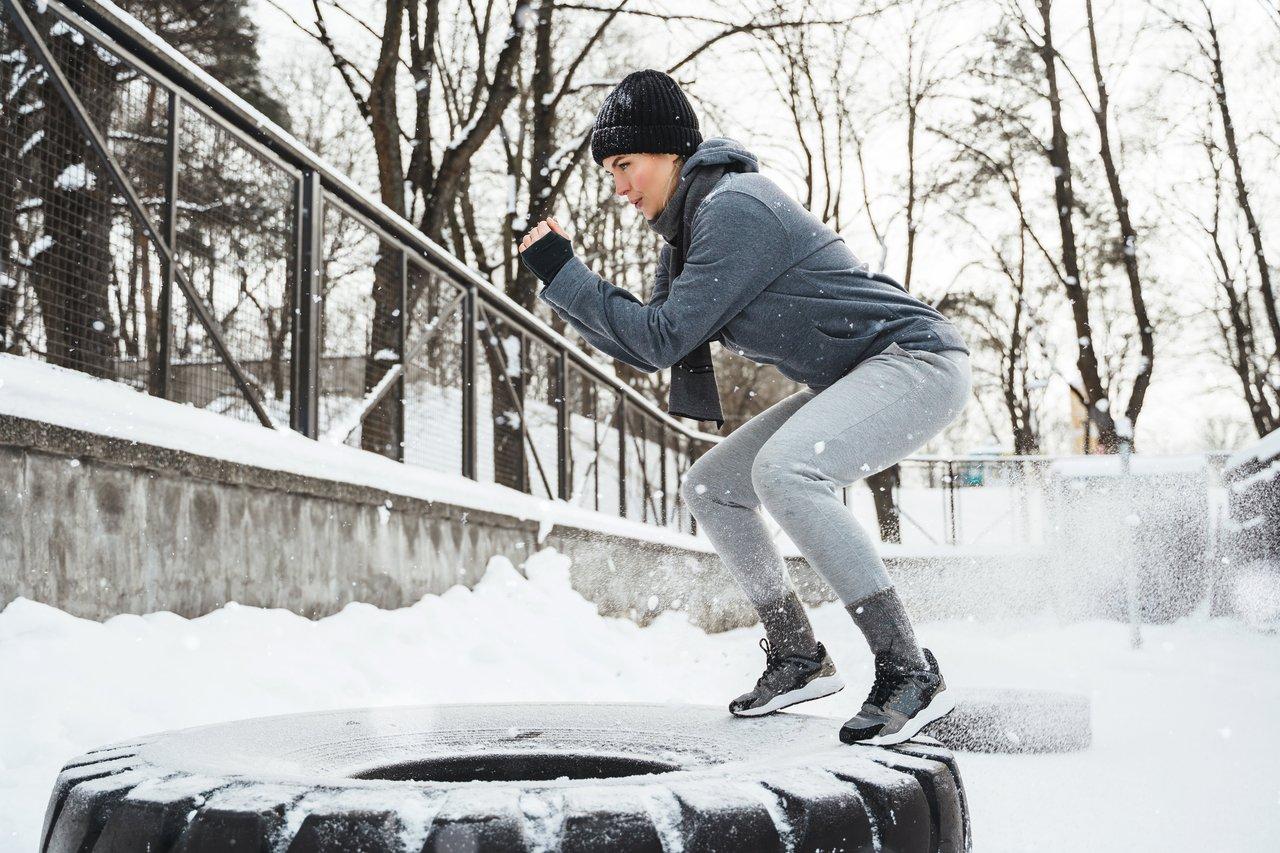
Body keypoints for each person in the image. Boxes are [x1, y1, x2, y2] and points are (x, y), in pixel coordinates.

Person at [516, 69, 970, 746]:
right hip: (858, 375)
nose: (619, 187)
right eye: (609, 172)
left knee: (786, 471)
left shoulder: (734, 208)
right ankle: (797, 655)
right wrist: (563, 279)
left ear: (670, 151)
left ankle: (908, 667)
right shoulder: (687, 235)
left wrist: (569, 274)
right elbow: (652, 343)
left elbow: (662, 336)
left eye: (624, 165)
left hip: (917, 361)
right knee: (713, 487)